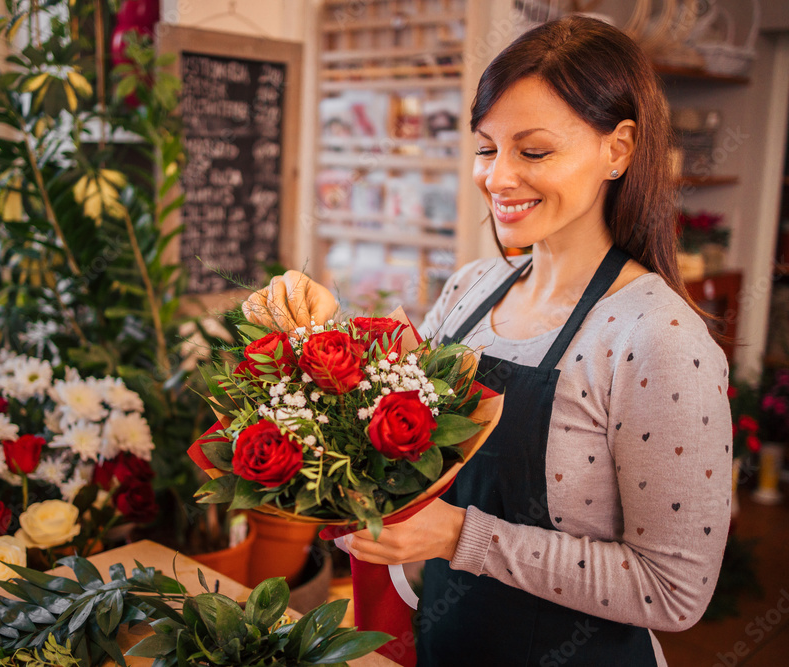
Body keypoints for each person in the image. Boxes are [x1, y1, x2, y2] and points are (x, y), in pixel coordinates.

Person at [244, 15, 731, 666]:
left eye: (533, 151)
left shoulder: (658, 337)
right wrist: (316, 335)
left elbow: (674, 591)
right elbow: (392, 437)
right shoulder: (473, 289)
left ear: (618, 150)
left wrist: (458, 535)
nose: (498, 179)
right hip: (448, 645)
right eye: (485, 148)